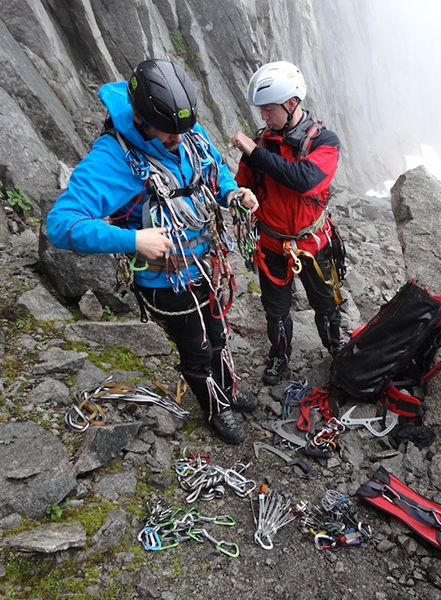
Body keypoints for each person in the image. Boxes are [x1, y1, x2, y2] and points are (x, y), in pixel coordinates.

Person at [47, 58, 260, 445]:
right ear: (142, 120)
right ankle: (215, 409)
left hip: (203, 260)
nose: (179, 140)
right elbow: (61, 224)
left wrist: (233, 194)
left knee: (217, 333)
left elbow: (214, 169)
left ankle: (227, 391)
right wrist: (131, 241)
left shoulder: (186, 131)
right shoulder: (113, 158)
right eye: (168, 134)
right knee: (195, 346)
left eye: (183, 130)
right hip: (162, 273)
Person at [231, 60, 345, 386]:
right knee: (275, 310)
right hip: (271, 243)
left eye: (268, 110)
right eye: (262, 111)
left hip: (314, 242)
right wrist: (238, 197)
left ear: (291, 103)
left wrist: (254, 151)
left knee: (327, 305)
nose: (263, 117)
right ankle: (279, 356)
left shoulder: (325, 142)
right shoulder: (261, 143)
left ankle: (335, 349)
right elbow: (243, 184)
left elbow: (304, 179)